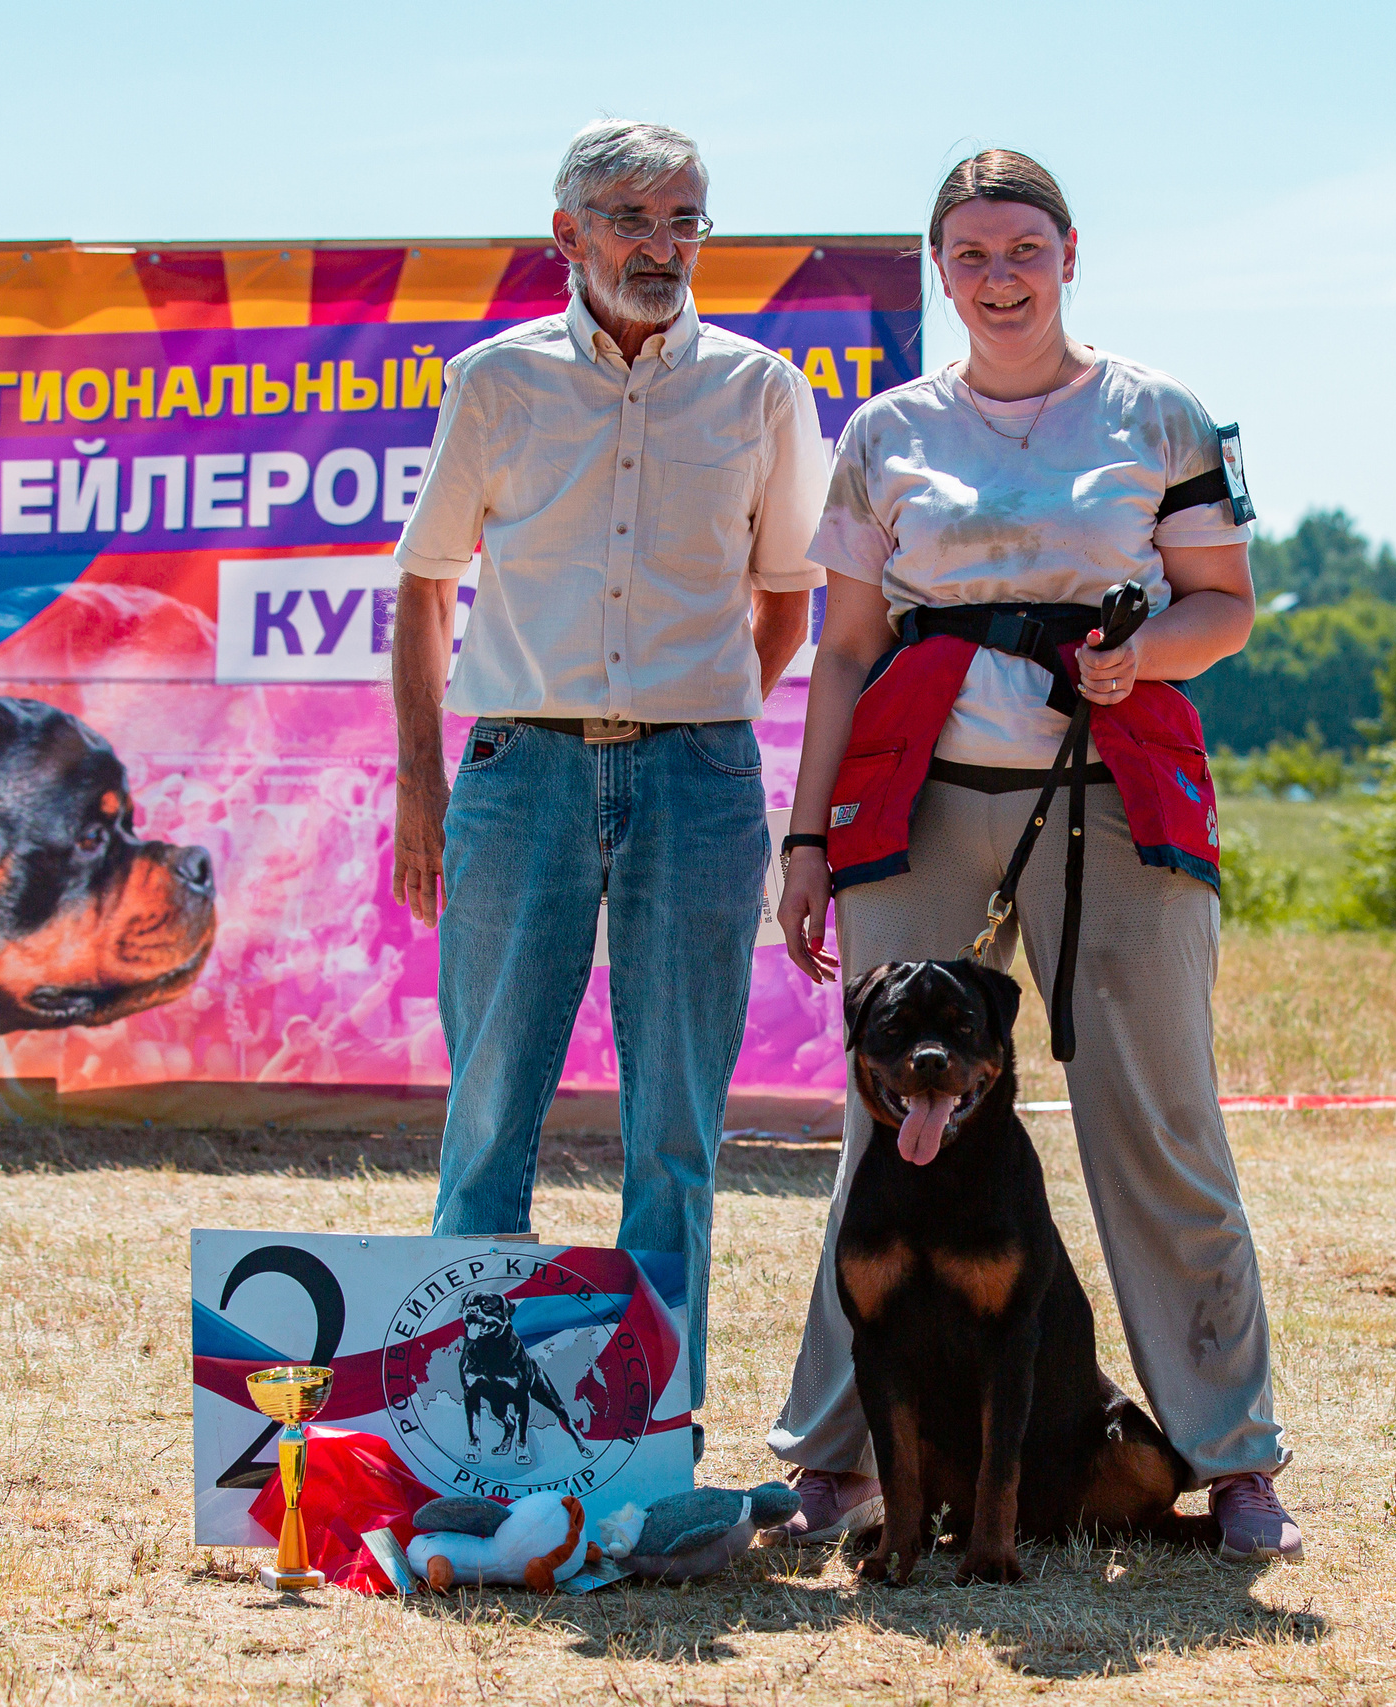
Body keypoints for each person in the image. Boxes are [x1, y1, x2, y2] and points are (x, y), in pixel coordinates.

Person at [764, 150, 1302, 1562]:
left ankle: (1233, 1456)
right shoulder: (887, 430)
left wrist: (1141, 658)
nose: (999, 277)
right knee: (886, 1118)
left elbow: (1224, 607)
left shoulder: (1157, 413)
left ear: (1071, 255)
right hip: (921, 794)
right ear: (941, 272)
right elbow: (846, 649)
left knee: (1157, 1119)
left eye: (1023, 249)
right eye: (971, 255)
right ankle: (836, 1458)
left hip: (1108, 786)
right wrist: (807, 835)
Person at [389, 120, 826, 1436]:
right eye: (632, 217)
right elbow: (426, 591)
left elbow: (789, 598)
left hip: (701, 782)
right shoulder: (496, 382)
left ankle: (647, 1437)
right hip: (517, 774)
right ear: (567, 234)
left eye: (686, 219)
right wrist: (421, 789)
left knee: (677, 1133)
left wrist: (703, 714)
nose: (662, 244)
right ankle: (464, 1438)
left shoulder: (760, 391)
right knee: (487, 1116)